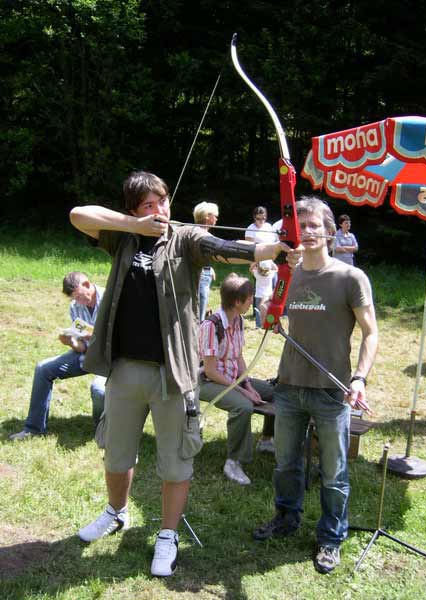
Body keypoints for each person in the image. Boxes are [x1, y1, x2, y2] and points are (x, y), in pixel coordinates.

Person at [69, 171, 300, 577]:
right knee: (117, 454)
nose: (159, 210)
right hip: (124, 368)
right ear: (134, 210)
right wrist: (134, 226)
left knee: (175, 461)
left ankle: (167, 535)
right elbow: (78, 215)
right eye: (148, 205)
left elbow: (226, 248)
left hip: (172, 373)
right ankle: (116, 512)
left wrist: (275, 251)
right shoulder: (122, 238)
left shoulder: (186, 239)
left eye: (162, 201)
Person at [253, 196, 378, 575]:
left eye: (313, 225)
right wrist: (268, 311)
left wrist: (359, 377)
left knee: (333, 471)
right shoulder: (288, 277)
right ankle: (286, 517)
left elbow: (371, 333)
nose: (306, 232)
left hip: (331, 390)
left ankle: (330, 536)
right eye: (299, 226)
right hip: (289, 385)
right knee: (285, 464)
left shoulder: (350, 278)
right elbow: (270, 314)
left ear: (329, 232)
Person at [9, 272, 106, 440]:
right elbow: (82, 347)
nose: (78, 302)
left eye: (80, 296)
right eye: (74, 298)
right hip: (86, 354)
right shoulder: (75, 307)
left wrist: (98, 337)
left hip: (109, 358)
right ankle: (34, 429)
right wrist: (71, 342)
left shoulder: (110, 299)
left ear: (87, 284)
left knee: (99, 390)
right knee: (43, 368)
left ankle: (103, 430)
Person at [199, 274, 275, 485]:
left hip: (232, 377)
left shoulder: (239, 320)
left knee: (274, 391)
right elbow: (210, 371)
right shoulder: (211, 326)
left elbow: (238, 356)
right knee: (243, 406)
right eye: (249, 298)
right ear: (237, 302)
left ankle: (267, 440)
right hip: (207, 381)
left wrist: (247, 383)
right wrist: (243, 391)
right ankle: (233, 462)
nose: (252, 301)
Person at [193, 201, 219, 321]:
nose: (216, 219)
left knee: (201, 308)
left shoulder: (204, 234)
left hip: (205, 273)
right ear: (207, 216)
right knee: (200, 314)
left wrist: (209, 267)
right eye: (215, 216)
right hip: (200, 275)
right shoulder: (200, 235)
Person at [249, 260, 278, 328]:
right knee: (267, 310)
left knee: (257, 310)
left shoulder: (257, 274)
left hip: (259, 295)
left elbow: (250, 269)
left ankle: (258, 325)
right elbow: (276, 268)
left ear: (259, 267)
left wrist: (256, 261)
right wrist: (271, 262)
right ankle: (268, 324)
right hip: (268, 295)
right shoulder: (271, 274)